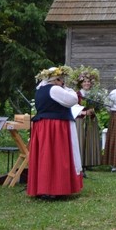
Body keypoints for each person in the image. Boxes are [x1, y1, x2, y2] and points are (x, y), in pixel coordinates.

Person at [27, 66, 83, 199]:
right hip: (55, 126)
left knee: (45, 155)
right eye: (61, 79)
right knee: (55, 155)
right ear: (56, 79)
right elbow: (73, 100)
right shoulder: (55, 89)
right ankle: (53, 189)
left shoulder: (40, 90)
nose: (63, 81)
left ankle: (43, 188)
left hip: (43, 125)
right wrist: (65, 87)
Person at [73, 67, 103, 173]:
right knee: (81, 139)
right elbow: (73, 107)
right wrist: (84, 112)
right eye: (84, 82)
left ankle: (89, 162)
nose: (87, 83)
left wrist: (94, 109)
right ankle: (80, 162)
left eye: (88, 82)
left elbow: (99, 105)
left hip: (91, 119)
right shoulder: (76, 94)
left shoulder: (95, 94)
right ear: (81, 83)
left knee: (90, 139)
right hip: (81, 120)